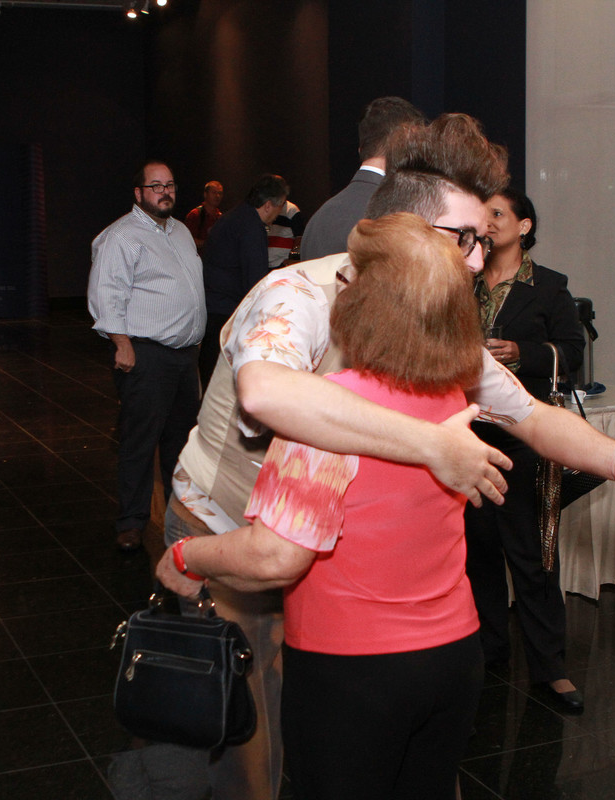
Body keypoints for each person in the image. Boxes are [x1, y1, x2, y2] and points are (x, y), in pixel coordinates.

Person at [157, 113, 615, 800]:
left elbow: (531, 416)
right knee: (243, 743)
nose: (477, 259)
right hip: (227, 524)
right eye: (463, 238)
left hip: (328, 587)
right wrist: (434, 445)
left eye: (484, 239)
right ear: (406, 231)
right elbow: (264, 392)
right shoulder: (298, 296)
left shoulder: (438, 332)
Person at [158, 213, 491, 800]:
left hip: (352, 671)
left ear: (363, 304)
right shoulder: (450, 399)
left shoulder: (325, 414)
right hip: (454, 660)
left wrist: (188, 556)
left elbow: (275, 557)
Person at [465, 189, 589, 712]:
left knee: (534, 556)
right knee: (477, 553)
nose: (488, 223)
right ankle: (490, 649)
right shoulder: (464, 279)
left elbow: (573, 352)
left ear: (524, 225)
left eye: (498, 214)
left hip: (525, 436)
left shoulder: (549, 286)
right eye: (483, 215)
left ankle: (550, 667)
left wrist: (524, 352)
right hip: (468, 433)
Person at [87, 160, 204, 552]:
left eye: (169, 184)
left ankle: (179, 517)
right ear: (138, 193)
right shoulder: (122, 236)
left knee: (180, 444)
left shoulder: (181, 231)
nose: (164, 192)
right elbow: (106, 293)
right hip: (146, 356)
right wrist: (121, 343)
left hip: (184, 357)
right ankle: (132, 522)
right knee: (140, 442)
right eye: (156, 186)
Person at [300, 96, 425, 260]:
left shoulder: (317, 220)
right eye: (417, 146)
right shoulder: (397, 217)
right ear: (404, 146)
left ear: (361, 149)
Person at [198, 174, 290, 389]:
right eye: (281, 206)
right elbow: (255, 282)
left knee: (211, 376)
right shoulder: (251, 227)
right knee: (223, 384)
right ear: (268, 205)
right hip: (227, 314)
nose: (280, 213)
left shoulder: (236, 216)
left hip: (213, 309)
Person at [184, 180, 223, 253]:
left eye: (220, 193)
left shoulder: (221, 217)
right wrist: (209, 243)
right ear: (205, 194)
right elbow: (187, 240)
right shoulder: (195, 215)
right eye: (214, 192)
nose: (217, 196)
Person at [266, 199, 305, 268]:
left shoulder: (292, 210)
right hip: (265, 262)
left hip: (282, 263)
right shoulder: (266, 207)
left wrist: (289, 260)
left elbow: (300, 238)